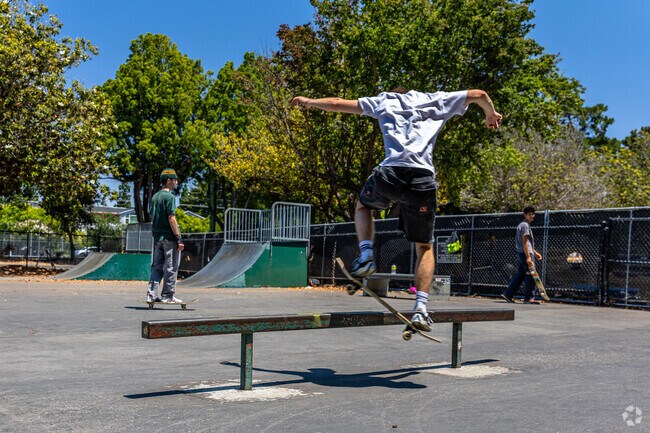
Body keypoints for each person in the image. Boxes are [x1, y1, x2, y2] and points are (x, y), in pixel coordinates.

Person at [291, 88, 502, 331]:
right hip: (422, 180)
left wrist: (309, 101)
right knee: (424, 247)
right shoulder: (437, 100)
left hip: (390, 175)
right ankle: (421, 309)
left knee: (363, 207)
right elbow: (479, 94)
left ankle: (366, 255)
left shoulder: (384, 101)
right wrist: (490, 113)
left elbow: (337, 104)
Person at [146, 168, 185, 303]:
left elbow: (153, 216)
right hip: (169, 238)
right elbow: (171, 218)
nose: (176, 182)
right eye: (174, 180)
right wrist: (178, 237)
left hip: (157, 239)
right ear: (168, 181)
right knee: (171, 267)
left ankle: (151, 295)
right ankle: (167, 296)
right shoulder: (170, 197)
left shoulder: (155, 197)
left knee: (157, 267)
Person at [501, 206, 543, 304]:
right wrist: (528, 257)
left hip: (522, 253)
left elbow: (527, 242)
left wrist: (535, 253)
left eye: (533, 214)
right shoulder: (524, 225)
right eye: (529, 214)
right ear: (525, 215)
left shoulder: (523, 225)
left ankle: (508, 294)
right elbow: (524, 242)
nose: (532, 216)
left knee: (520, 275)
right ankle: (529, 298)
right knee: (531, 275)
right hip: (525, 254)